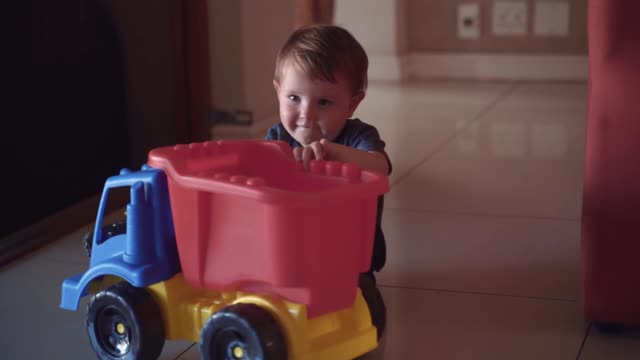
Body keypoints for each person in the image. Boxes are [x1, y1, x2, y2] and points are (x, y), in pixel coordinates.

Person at [265, 24, 390, 337]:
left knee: (359, 303)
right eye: (294, 98)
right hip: (291, 251)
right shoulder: (277, 138)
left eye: (324, 103)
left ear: (352, 103)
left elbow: (380, 168)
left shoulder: (358, 136)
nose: (306, 115)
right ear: (278, 90)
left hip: (349, 255)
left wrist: (337, 153)